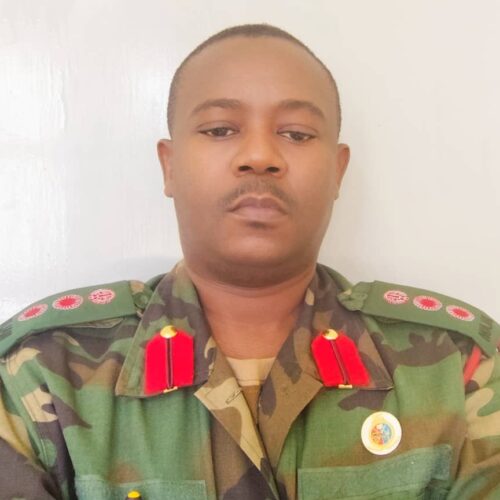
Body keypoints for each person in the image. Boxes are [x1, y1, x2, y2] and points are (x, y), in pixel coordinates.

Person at [0, 23, 499, 500]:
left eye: (297, 134)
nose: (259, 155)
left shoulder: (458, 366)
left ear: (338, 171)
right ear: (169, 166)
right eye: (220, 129)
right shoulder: (41, 369)